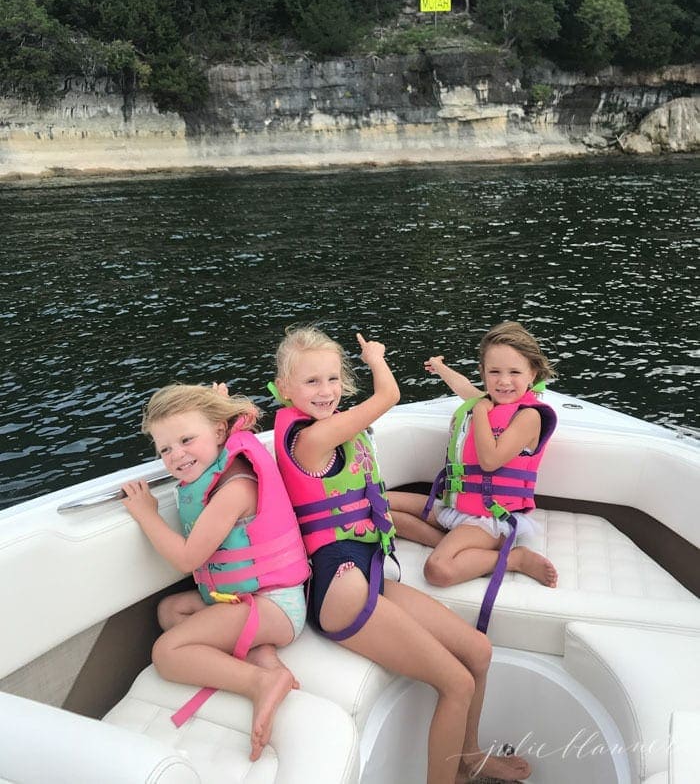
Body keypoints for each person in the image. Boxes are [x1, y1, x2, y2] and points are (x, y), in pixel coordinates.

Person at [271, 325, 531, 784]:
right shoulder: (310, 441)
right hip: (338, 587)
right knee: (457, 682)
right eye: (311, 382)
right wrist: (374, 358)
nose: (326, 391)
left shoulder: (326, 432)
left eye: (333, 379)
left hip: (365, 570)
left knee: (478, 651)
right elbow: (389, 394)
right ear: (285, 388)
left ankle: (470, 755)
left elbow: (369, 504)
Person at [121, 383, 310, 761]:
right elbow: (219, 421)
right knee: (170, 611)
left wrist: (146, 514)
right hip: (241, 598)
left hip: (274, 604)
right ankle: (263, 657)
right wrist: (216, 401)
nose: (177, 455)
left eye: (186, 439)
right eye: (165, 449)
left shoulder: (235, 488)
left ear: (219, 432)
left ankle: (262, 680)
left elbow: (189, 558)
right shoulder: (216, 460)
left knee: (167, 654)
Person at [388, 321, 558, 631]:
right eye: (494, 373)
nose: (503, 381)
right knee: (379, 506)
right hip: (458, 507)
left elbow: (491, 461)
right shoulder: (487, 399)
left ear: (533, 373)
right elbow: (463, 386)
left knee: (438, 569)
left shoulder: (528, 416)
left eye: (514, 373)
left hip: (491, 517)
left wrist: (479, 412)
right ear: (484, 373)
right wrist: (440, 367)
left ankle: (515, 559)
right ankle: (452, 540)